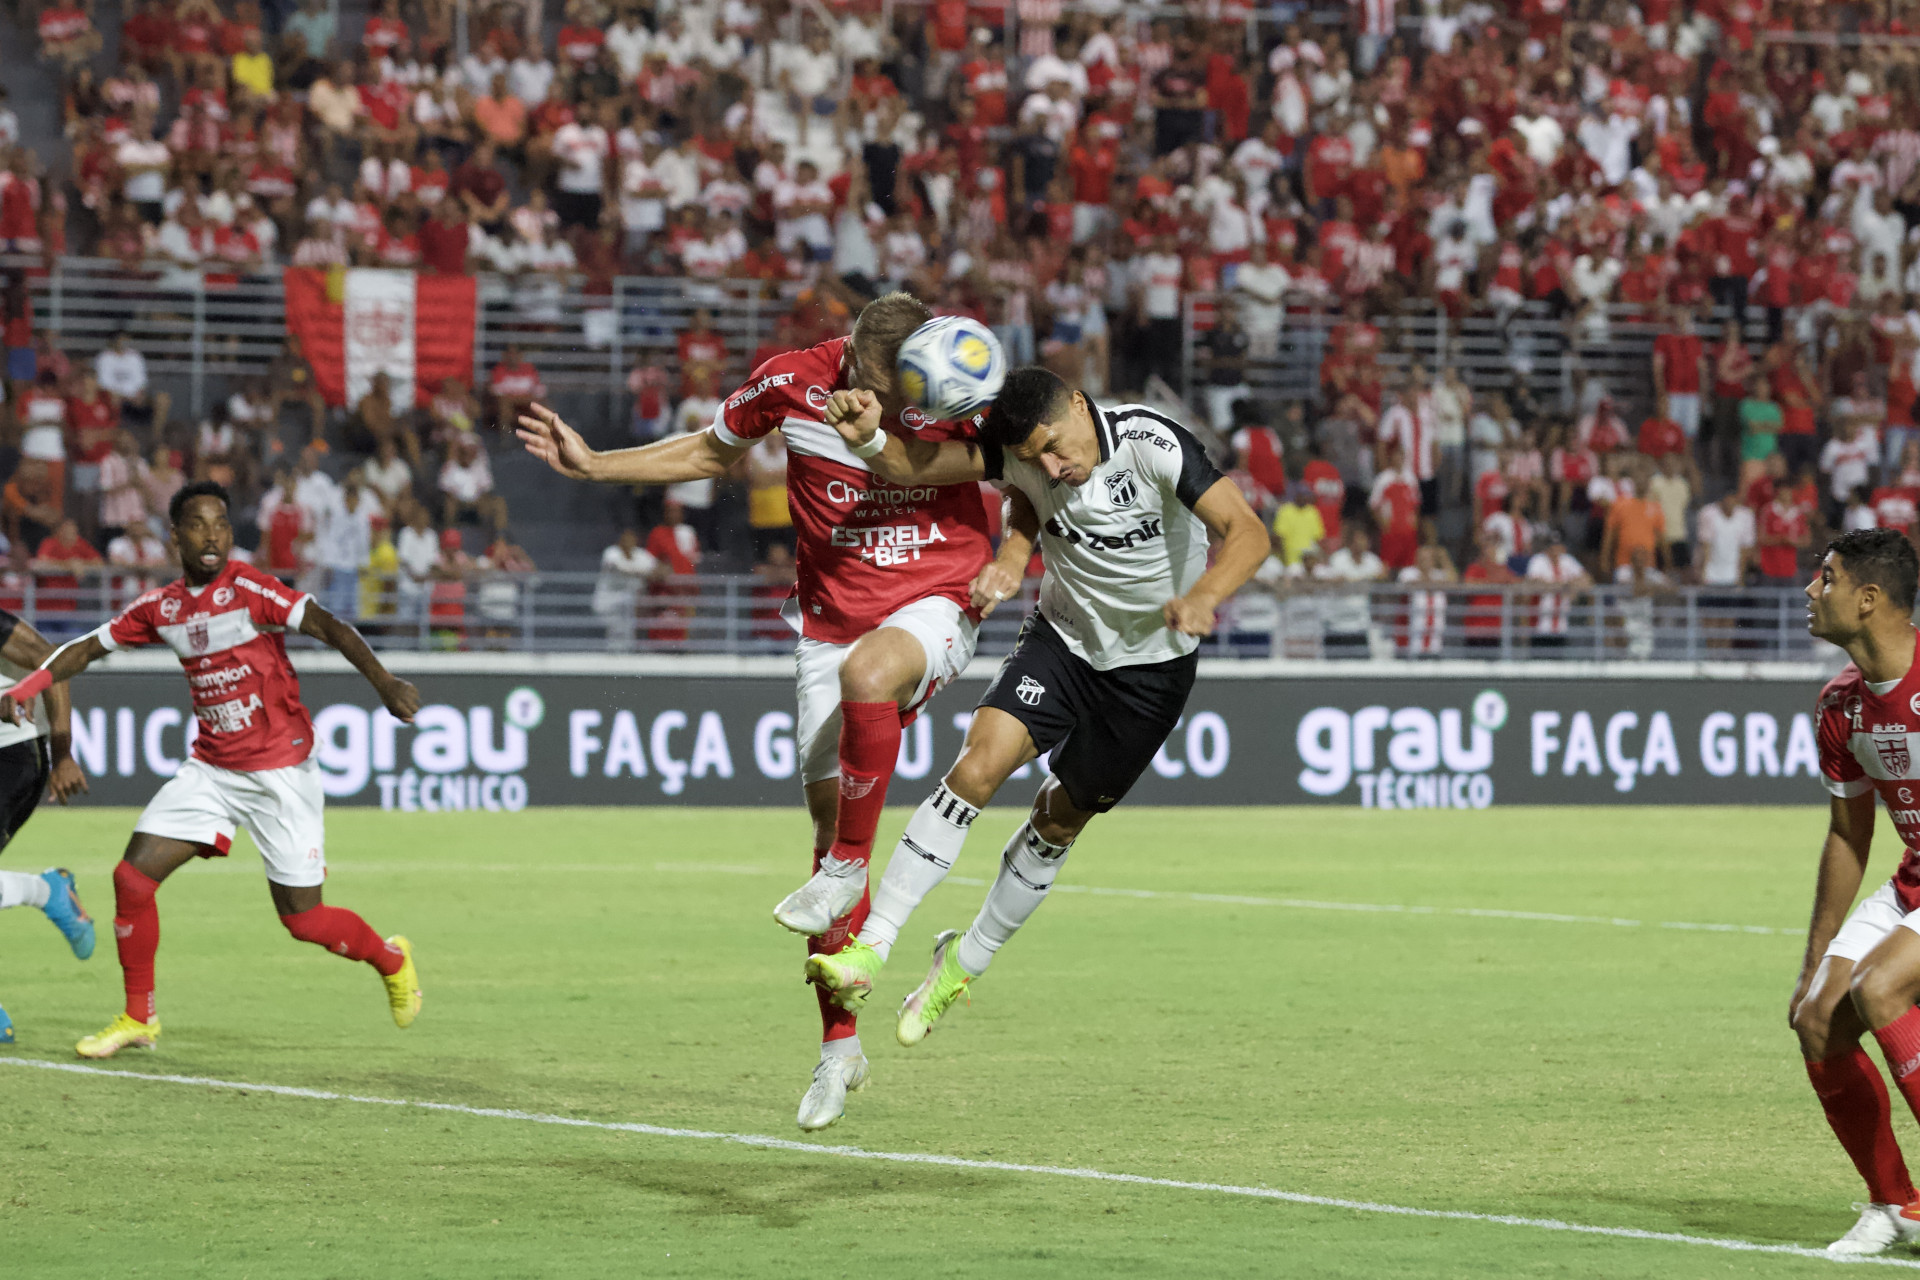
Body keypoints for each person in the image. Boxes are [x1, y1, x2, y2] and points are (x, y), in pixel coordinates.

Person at [516, 292, 993, 1131]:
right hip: (826, 622)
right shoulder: (789, 383)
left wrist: (1016, 556)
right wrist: (596, 465)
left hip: (936, 597)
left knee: (871, 684)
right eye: (870, 387)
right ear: (848, 359)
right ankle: (839, 1051)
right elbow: (709, 449)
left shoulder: (945, 388)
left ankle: (849, 870)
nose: (879, 404)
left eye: (895, 394)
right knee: (826, 819)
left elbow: (1022, 469)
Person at [800, 366, 1267, 1051]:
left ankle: (962, 965)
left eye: (1055, 446)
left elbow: (1247, 530)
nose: (1053, 466)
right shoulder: (1026, 454)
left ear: (1079, 404)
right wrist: (871, 441)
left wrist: (1205, 597)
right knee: (977, 768)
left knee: (1058, 821)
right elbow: (925, 466)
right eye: (1032, 460)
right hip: (1064, 640)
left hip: (1151, 672)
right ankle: (869, 948)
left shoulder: (1152, 442)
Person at [0, 482, 424, 1059]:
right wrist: (26, 686)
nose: (213, 535)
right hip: (212, 771)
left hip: (280, 774)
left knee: (303, 919)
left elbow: (330, 627)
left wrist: (386, 683)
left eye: (222, 524)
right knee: (131, 879)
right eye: (198, 525)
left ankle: (390, 959)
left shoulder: (253, 591)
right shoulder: (162, 608)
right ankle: (137, 1017)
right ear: (175, 536)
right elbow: (83, 650)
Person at [1789, 530, 1920, 1255]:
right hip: (1913, 883)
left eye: (1827, 578)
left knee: (1882, 988)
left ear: (1868, 600)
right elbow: (1848, 834)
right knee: (1818, 1020)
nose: (1812, 591)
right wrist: (1813, 962)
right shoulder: (1841, 705)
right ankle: (1893, 1205)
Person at [0, 606, 94, 1042]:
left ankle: (47, 892)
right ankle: (48, 891)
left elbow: (53, 659)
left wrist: (63, 752)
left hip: (13, 756)